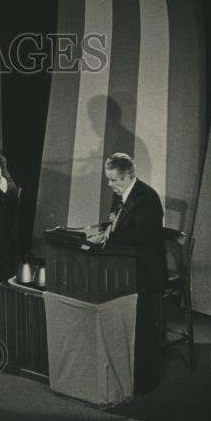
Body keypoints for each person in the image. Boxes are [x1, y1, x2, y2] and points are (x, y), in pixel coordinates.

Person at [87, 153, 167, 392]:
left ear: (128, 176)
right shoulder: (120, 194)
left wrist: (111, 237)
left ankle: (145, 381)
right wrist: (103, 233)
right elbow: (115, 223)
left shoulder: (147, 198)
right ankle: (121, 368)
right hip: (125, 267)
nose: (110, 186)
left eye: (114, 181)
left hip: (145, 270)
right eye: (108, 180)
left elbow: (141, 237)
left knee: (142, 325)